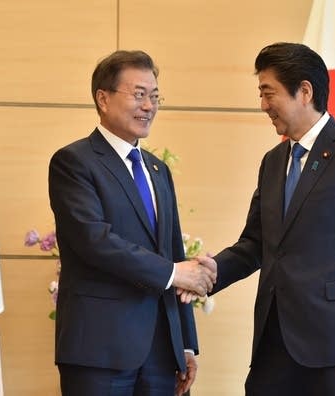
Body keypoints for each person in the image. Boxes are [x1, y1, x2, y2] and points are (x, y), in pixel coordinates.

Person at [192, 42, 335, 395]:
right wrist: (209, 272)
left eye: (268, 92)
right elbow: (256, 243)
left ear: (304, 91)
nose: (263, 106)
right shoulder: (273, 161)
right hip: (274, 345)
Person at [49, 49, 216, 396]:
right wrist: (174, 273)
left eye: (155, 96)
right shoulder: (73, 162)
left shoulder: (158, 170)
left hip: (160, 354)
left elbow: (174, 251)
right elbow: (95, 240)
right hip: (99, 350)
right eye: (138, 94)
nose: (149, 106)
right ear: (103, 98)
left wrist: (185, 344)